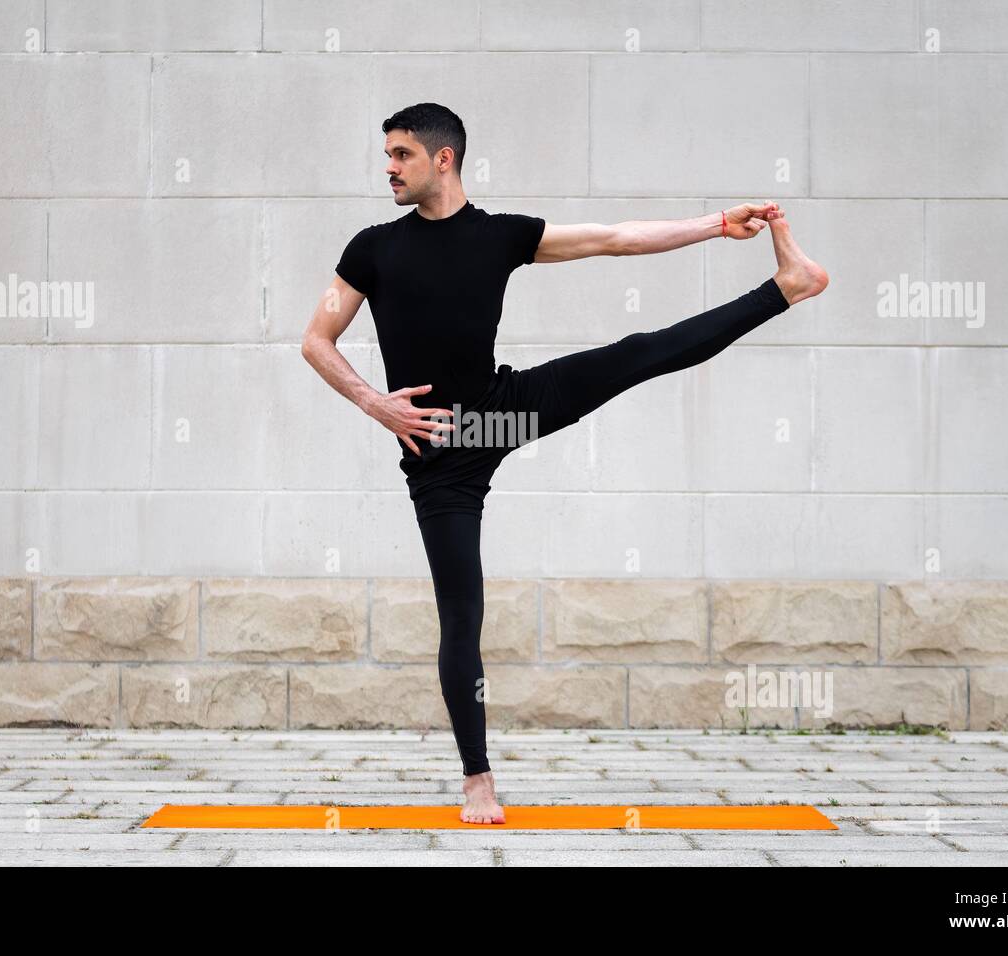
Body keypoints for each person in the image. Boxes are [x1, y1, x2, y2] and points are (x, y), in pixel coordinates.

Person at [302, 102, 828, 824]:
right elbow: (317, 340)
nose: (387, 167)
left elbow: (613, 239)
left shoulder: (501, 237)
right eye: (387, 155)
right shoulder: (371, 249)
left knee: (638, 353)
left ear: (443, 158)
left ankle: (785, 287)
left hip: (500, 413)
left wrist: (714, 225)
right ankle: (477, 782)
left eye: (400, 155)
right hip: (439, 454)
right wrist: (376, 404)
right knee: (462, 616)